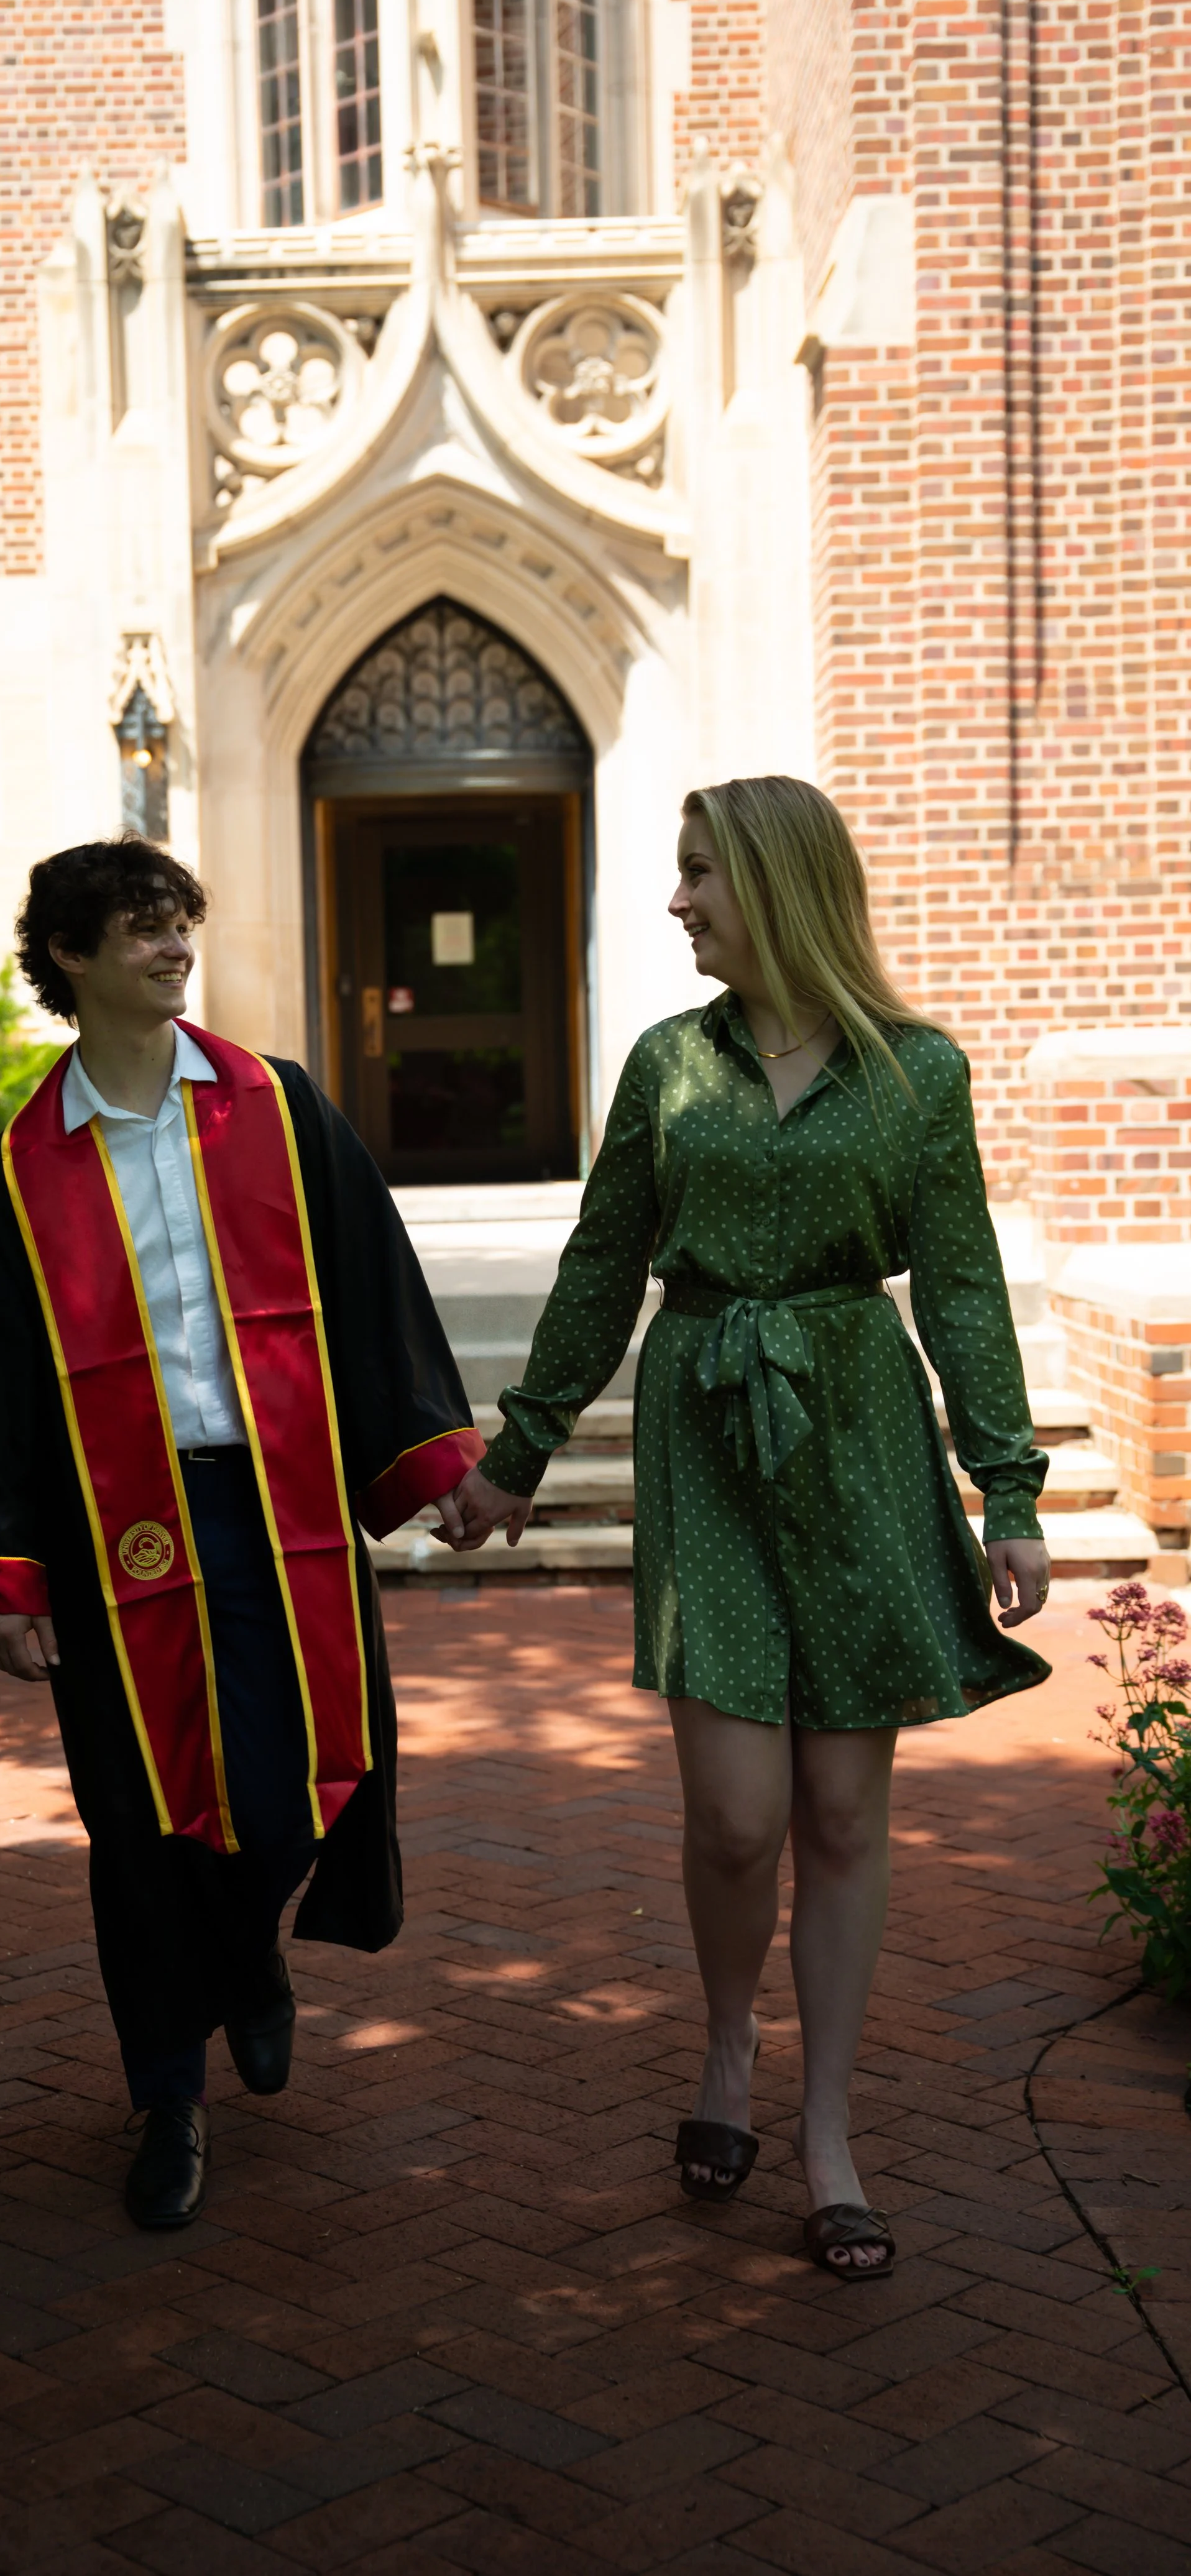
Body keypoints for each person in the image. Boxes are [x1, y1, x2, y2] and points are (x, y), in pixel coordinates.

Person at [450, 776, 1051, 2281]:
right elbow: (602, 1265)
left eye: (699, 873)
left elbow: (963, 1286)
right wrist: (518, 1449)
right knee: (734, 1813)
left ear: (775, 886)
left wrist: (1009, 1486)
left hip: (855, 1436)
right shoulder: (668, 1065)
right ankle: (728, 2048)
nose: (677, 901)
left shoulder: (916, 1073)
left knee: (843, 1813)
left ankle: (825, 2128)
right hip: (705, 1429)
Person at [0, 837, 484, 2230]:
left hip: (273, 1511)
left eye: (182, 923)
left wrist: (437, 1464)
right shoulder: (21, 1166)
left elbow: (372, 1287)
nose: (176, 948)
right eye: (143, 929)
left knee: (307, 1774)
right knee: (137, 1813)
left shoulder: (275, 1110)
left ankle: (252, 1957)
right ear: (70, 956)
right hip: (117, 1535)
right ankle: (166, 2092)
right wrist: (5, 1573)